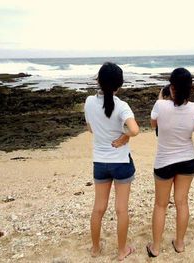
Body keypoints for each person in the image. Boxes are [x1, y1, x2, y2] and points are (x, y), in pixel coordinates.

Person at [84, 62, 139, 260]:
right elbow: (134, 129)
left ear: (98, 81)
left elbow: (90, 129)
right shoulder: (122, 106)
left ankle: (95, 249)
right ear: (119, 85)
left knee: (98, 208)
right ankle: (122, 250)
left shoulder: (89, 102)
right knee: (121, 209)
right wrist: (125, 137)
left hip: (100, 162)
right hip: (121, 162)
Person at [146, 68, 194, 257]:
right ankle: (179, 243)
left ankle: (156, 247)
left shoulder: (160, 106)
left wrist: (161, 98)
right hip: (187, 159)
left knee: (160, 205)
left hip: (164, 161)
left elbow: (154, 125)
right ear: (190, 88)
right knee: (182, 203)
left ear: (171, 86)